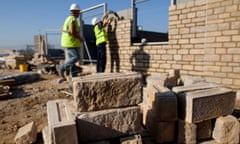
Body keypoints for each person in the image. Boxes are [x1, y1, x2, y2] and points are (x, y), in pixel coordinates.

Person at [58, 3, 83, 82]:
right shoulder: (73, 19)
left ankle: (74, 77)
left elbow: (62, 27)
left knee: (72, 62)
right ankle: (62, 67)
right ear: (75, 11)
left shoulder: (68, 18)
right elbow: (72, 32)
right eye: (78, 12)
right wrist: (80, 38)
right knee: (75, 57)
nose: (79, 13)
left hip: (69, 42)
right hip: (70, 43)